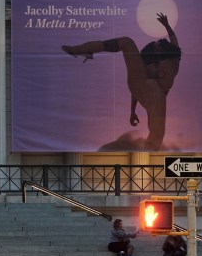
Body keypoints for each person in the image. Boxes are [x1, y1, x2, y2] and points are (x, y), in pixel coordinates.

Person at [63, 9, 182, 150]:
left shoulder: (173, 60)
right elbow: (138, 89)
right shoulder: (147, 65)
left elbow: (174, 41)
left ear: (163, 48)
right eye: (154, 46)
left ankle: (149, 160)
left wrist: (167, 25)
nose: (155, 46)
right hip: (142, 88)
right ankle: (85, 49)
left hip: (154, 97)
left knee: (156, 137)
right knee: (127, 42)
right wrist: (133, 110)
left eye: (158, 46)